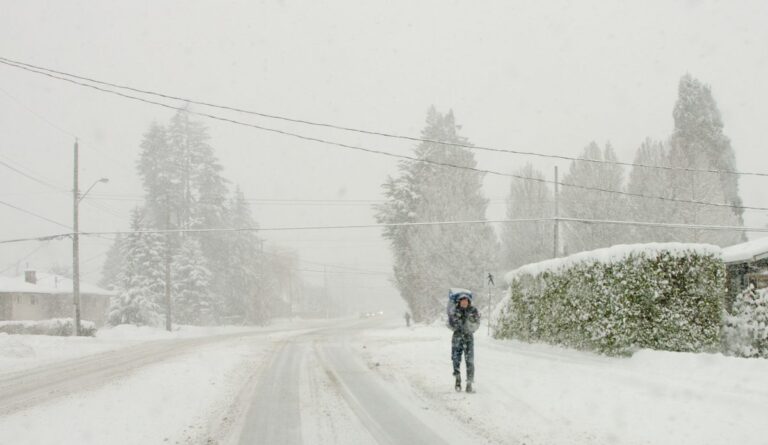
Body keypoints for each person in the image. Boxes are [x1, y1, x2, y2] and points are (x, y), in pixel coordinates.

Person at [448, 293, 480, 393]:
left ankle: (469, 384)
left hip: (469, 338)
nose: (464, 302)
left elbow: (477, 323)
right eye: (462, 300)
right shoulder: (455, 310)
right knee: (456, 359)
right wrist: (456, 320)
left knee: (470, 361)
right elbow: (450, 324)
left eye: (466, 300)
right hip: (457, 337)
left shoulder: (473, 310)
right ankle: (458, 380)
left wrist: (471, 326)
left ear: (469, 301)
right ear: (459, 301)